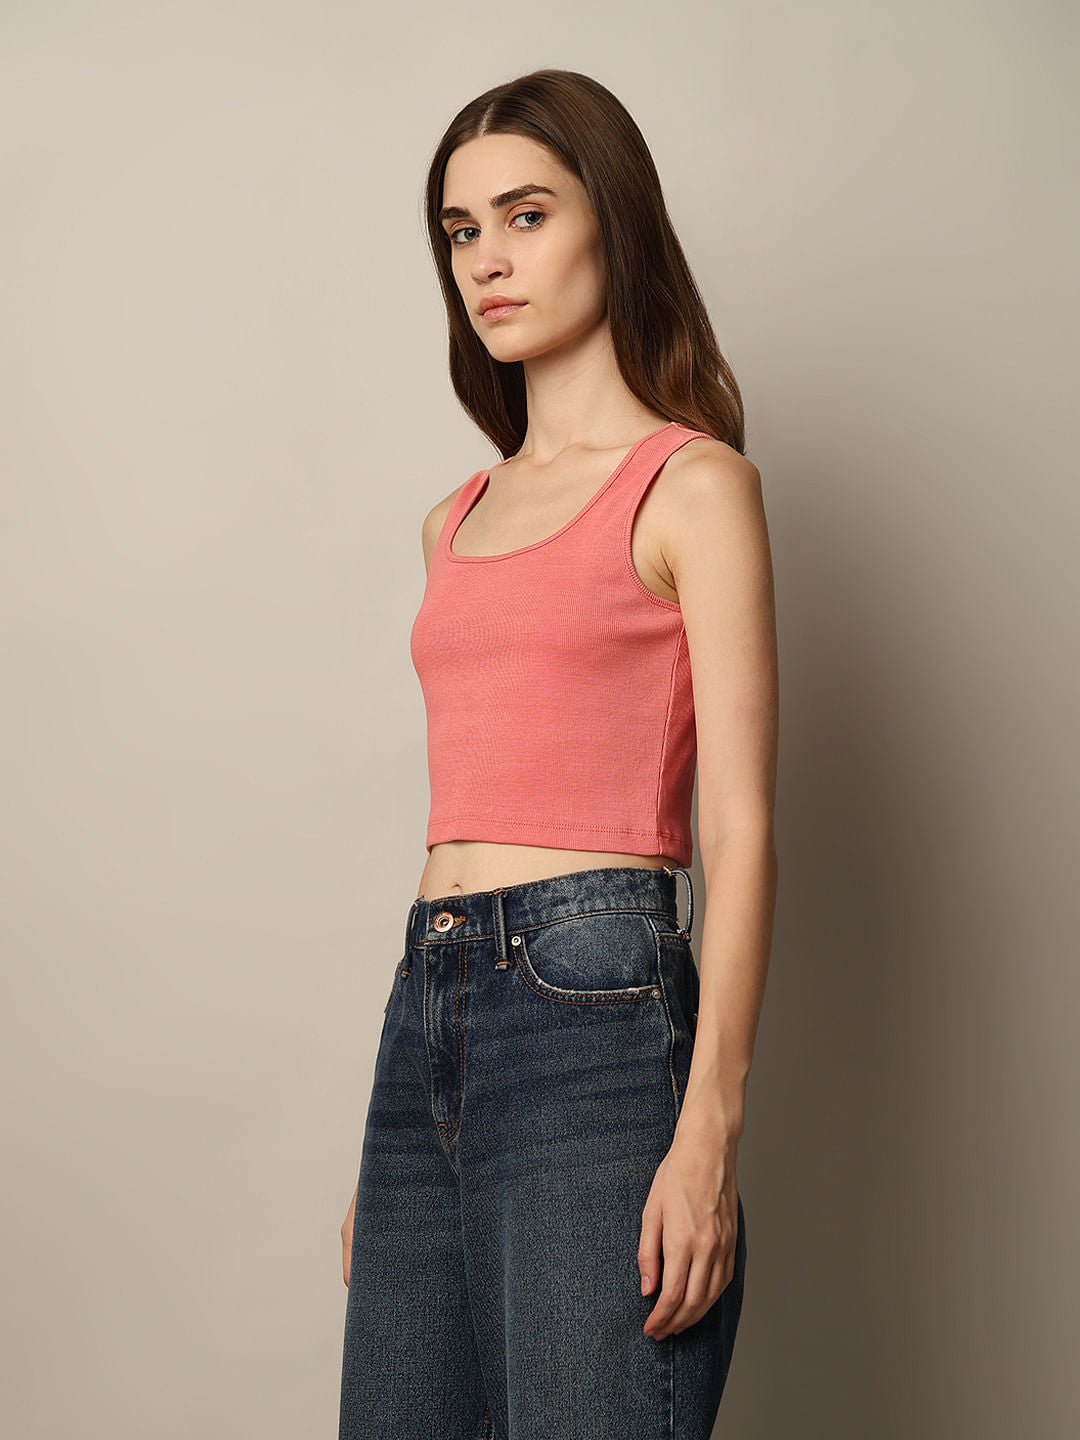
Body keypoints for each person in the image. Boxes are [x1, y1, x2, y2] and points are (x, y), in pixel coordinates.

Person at [338, 67, 778, 1440]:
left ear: (612, 222)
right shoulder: (454, 517)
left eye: (525, 216)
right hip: (431, 1006)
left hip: (595, 1013)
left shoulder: (692, 487)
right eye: (461, 231)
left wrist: (707, 1133)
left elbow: (742, 827)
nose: (487, 260)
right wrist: (413, 1118)